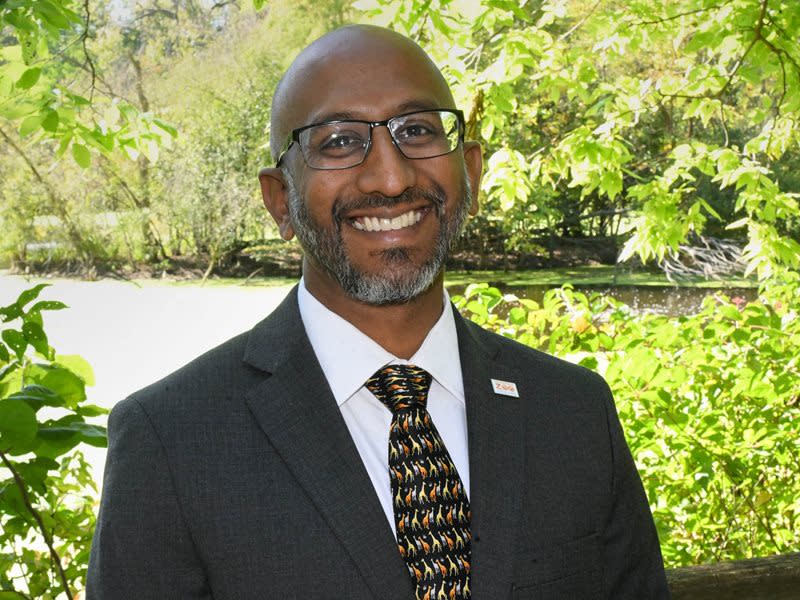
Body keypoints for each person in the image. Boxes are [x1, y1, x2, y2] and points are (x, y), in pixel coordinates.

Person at [87, 24, 669, 599]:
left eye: (416, 130)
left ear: (470, 172)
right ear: (279, 199)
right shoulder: (171, 440)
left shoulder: (574, 412)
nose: (391, 178)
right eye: (339, 140)